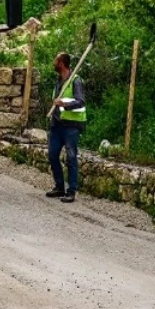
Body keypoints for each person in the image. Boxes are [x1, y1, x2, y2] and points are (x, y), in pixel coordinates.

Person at [47, 51, 86, 203]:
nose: (53, 63)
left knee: (71, 158)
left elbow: (80, 102)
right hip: (57, 125)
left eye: (55, 60)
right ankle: (59, 187)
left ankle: (71, 191)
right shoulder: (58, 81)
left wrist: (64, 104)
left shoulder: (76, 81)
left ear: (61, 63)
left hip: (71, 127)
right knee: (52, 155)